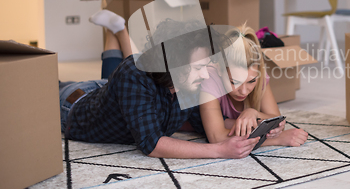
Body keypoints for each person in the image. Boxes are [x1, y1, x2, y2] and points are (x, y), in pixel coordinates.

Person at [59, 10, 260, 159]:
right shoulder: (133, 75)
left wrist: (254, 124)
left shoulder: (190, 81)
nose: (206, 75)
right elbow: (152, 144)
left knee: (113, 79)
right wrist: (219, 151)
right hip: (74, 103)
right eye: (199, 67)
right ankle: (117, 31)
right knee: (49, 88)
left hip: (110, 92)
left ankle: (115, 31)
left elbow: (206, 123)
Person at [199, 24, 308, 148]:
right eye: (235, 82)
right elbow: (217, 137)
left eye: (251, 82)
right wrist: (276, 140)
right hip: (190, 120)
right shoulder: (209, 78)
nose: (244, 91)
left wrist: (254, 113)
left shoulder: (258, 75)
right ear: (219, 70)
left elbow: (277, 119)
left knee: (235, 123)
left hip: (224, 121)